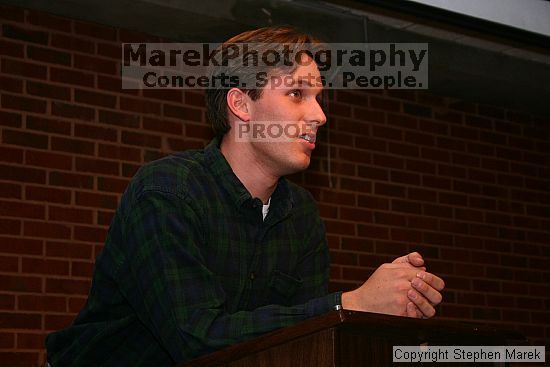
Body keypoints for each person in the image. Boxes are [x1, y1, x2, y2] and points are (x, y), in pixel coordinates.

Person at [45, 26, 444, 366]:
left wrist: (385, 316)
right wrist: (350, 304)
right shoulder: (166, 191)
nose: (320, 115)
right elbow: (197, 337)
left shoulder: (301, 215)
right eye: (296, 94)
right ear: (241, 104)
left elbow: (302, 346)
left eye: (318, 97)